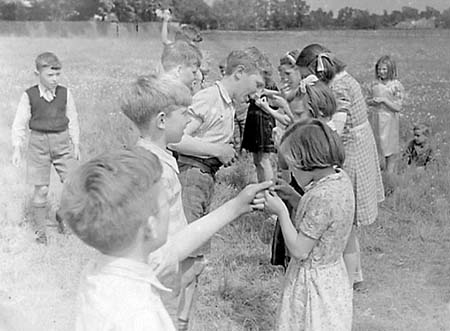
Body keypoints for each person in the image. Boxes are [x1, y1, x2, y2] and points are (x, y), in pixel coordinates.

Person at [58, 148, 270, 331]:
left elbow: (176, 247)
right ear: (150, 225)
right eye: (165, 201)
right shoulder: (141, 317)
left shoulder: (105, 269)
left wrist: (236, 206)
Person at [169, 48, 266, 327]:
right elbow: (175, 139)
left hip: (204, 178)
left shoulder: (227, 103)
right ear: (239, 74)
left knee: (196, 258)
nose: (257, 92)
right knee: (187, 253)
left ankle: (181, 320)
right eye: (256, 84)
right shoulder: (209, 98)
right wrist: (217, 150)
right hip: (191, 176)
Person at [296, 43, 384, 290]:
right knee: (348, 221)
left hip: (352, 149)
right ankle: (354, 275)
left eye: (306, 74)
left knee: (347, 217)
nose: (306, 80)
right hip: (355, 144)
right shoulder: (341, 80)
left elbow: (337, 126)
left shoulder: (340, 86)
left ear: (317, 68)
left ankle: (351, 279)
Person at [265, 119, 354, 330]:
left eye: (293, 167)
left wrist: (281, 211)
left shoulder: (320, 197)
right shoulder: (340, 180)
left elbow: (299, 250)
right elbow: (324, 221)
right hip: (333, 276)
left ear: (308, 162)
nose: (292, 173)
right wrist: (296, 198)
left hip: (313, 283)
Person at [11, 51, 80, 244]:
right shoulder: (29, 95)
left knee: (72, 185)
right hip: (38, 144)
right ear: (37, 73)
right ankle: (41, 234)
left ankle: (63, 216)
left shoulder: (65, 93)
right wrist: (17, 147)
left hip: (62, 141)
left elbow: (73, 119)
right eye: (50, 75)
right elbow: (19, 123)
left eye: (58, 74)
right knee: (41, 190)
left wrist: (76, 143)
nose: (55, 79)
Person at [241, 49, 277, 182]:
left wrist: (260, 97)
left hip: (263, 120)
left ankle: (268, 187)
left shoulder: (268, 83)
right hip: (254, 118)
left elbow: (275, 103)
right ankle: (262, 185)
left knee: (263, 159)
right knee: (257, 159)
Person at [367, 55, 405, 173]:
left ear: (390, 70)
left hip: (389, 120)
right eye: (379, 69)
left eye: (384, 69)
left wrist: (384, 101)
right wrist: (372, 102)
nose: (381, 72)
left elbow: (397, 107)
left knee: (389, 148)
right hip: (376, 119)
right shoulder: (374, 85)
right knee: (377, 146)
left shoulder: (395, 86)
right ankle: (376, 171)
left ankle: (390, 173)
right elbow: (367, 100)